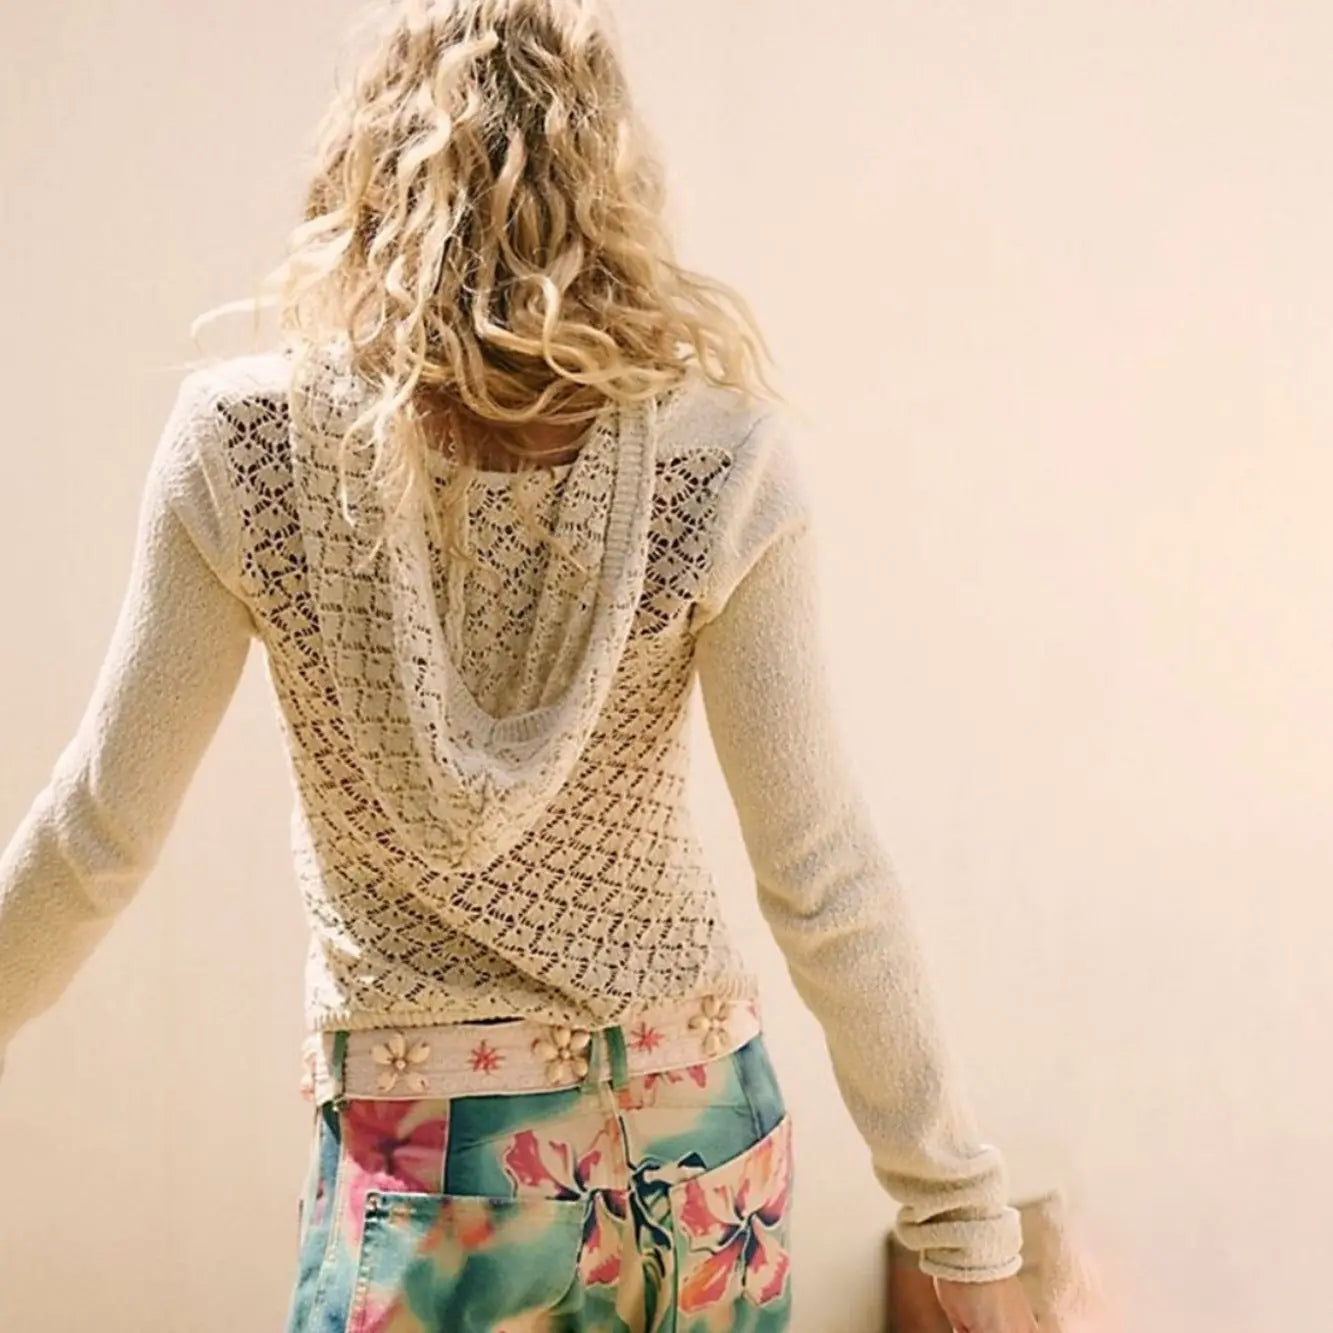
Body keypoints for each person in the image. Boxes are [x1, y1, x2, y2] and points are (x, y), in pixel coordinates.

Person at [0, 3, 1040, 1330]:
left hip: (431, 1156)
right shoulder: (718, 455)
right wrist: (959, 1219)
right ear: (611, 173)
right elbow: (819, 869)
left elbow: (99, 830)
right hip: (693, 1137)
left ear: (366, 164)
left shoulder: (245, 446)